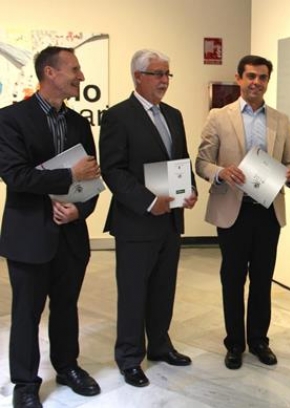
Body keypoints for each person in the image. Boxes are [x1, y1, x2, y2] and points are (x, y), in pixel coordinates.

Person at [0, 46, 102, 408]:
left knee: (66, 306)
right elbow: (14, 175)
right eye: (74, 69)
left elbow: (92, 178)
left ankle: (68, 367)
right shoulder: (10, 119)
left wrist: (80, 210)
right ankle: (25, 384)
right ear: (50, 72)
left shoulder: (79, 123)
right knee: (27, 312)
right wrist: (67, 175)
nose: (81, 76)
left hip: (70, 234)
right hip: (28, 234)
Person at [99, 49, 198, 388]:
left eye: (168, 74)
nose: (164, 81)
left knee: (163, 288)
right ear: (138, 76)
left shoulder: (174, 114)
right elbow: (113, 170)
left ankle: (159, 345)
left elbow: (180, 159)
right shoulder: (118, 116)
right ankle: (129, 357)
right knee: (133, 292)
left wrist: (189, 190)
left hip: (169, 221)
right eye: (157, 73)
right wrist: (147, 201)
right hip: (136, 222)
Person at [195, 55, 290, 369]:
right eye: (251, 76)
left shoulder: (281, 120)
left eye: (263, 77)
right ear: (239, 78)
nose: (256, 82)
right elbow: (201, 162)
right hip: (232, 210)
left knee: (263, 279)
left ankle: (259, 341)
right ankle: (234, 343)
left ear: (268, 81)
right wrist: (222, 172)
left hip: (267, 211)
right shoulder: (218, 116)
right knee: (233, 278)